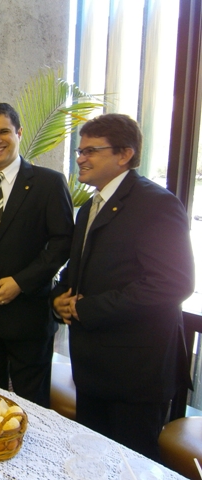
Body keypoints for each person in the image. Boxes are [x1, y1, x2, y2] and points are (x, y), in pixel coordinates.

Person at [52, 113, 194, 460]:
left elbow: (173, 282)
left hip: (136, 375)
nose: (80, 159)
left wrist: (87, 308)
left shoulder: (157, 204)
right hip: (93, 370)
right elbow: (78, 267)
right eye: (79, 151)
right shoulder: (88, 208)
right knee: (92, 459)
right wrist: (58, 298)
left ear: (125, 154)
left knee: (130, 464)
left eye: (90, 151)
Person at [0, 102, 74, 407]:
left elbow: (62, 242)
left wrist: (20, 282)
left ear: (19, 133)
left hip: (29, 316)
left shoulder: (48, 183)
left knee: (32, 406)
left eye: (4, 131)